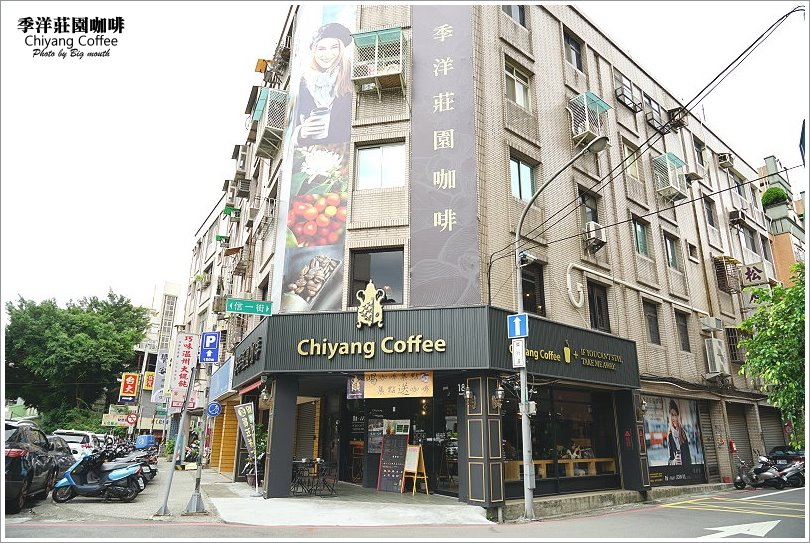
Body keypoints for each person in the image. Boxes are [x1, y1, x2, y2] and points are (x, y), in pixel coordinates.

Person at [292, 22, 354, 146]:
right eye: (321, 49)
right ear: (314, 52)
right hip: (312, 154)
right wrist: (301, 132)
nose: (327, 54)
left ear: (341, 50)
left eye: (334, 47)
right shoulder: (303, 83)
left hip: (345, 151)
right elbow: (292, 125)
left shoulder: (352, 75)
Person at [667, 399, 692, 466]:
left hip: (685, 468)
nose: (674, 418)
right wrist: (674, 461)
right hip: (676, 469)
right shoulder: (670, 436)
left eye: (676, 415)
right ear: (669, 416)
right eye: (672, 415)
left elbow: (688, 456)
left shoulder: (683, 433)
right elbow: (670, 460)